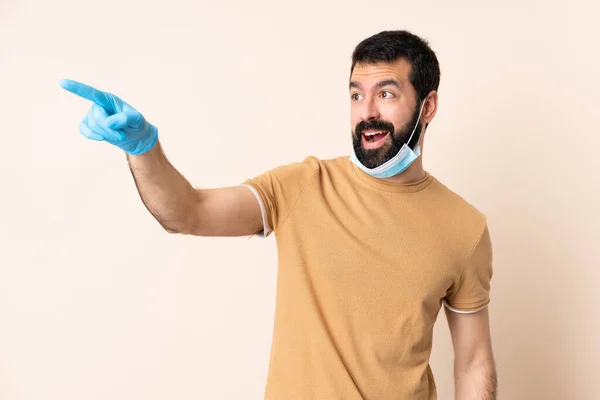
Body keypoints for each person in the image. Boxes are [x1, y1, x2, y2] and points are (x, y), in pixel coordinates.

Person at [60, 30, 497, 400]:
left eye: (386, 94)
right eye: (356, 95)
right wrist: (143, 149)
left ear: (429, 105)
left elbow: (474, 361)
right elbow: (189, 212)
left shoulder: (465, 228)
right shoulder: (305, 185)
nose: (366, 113)